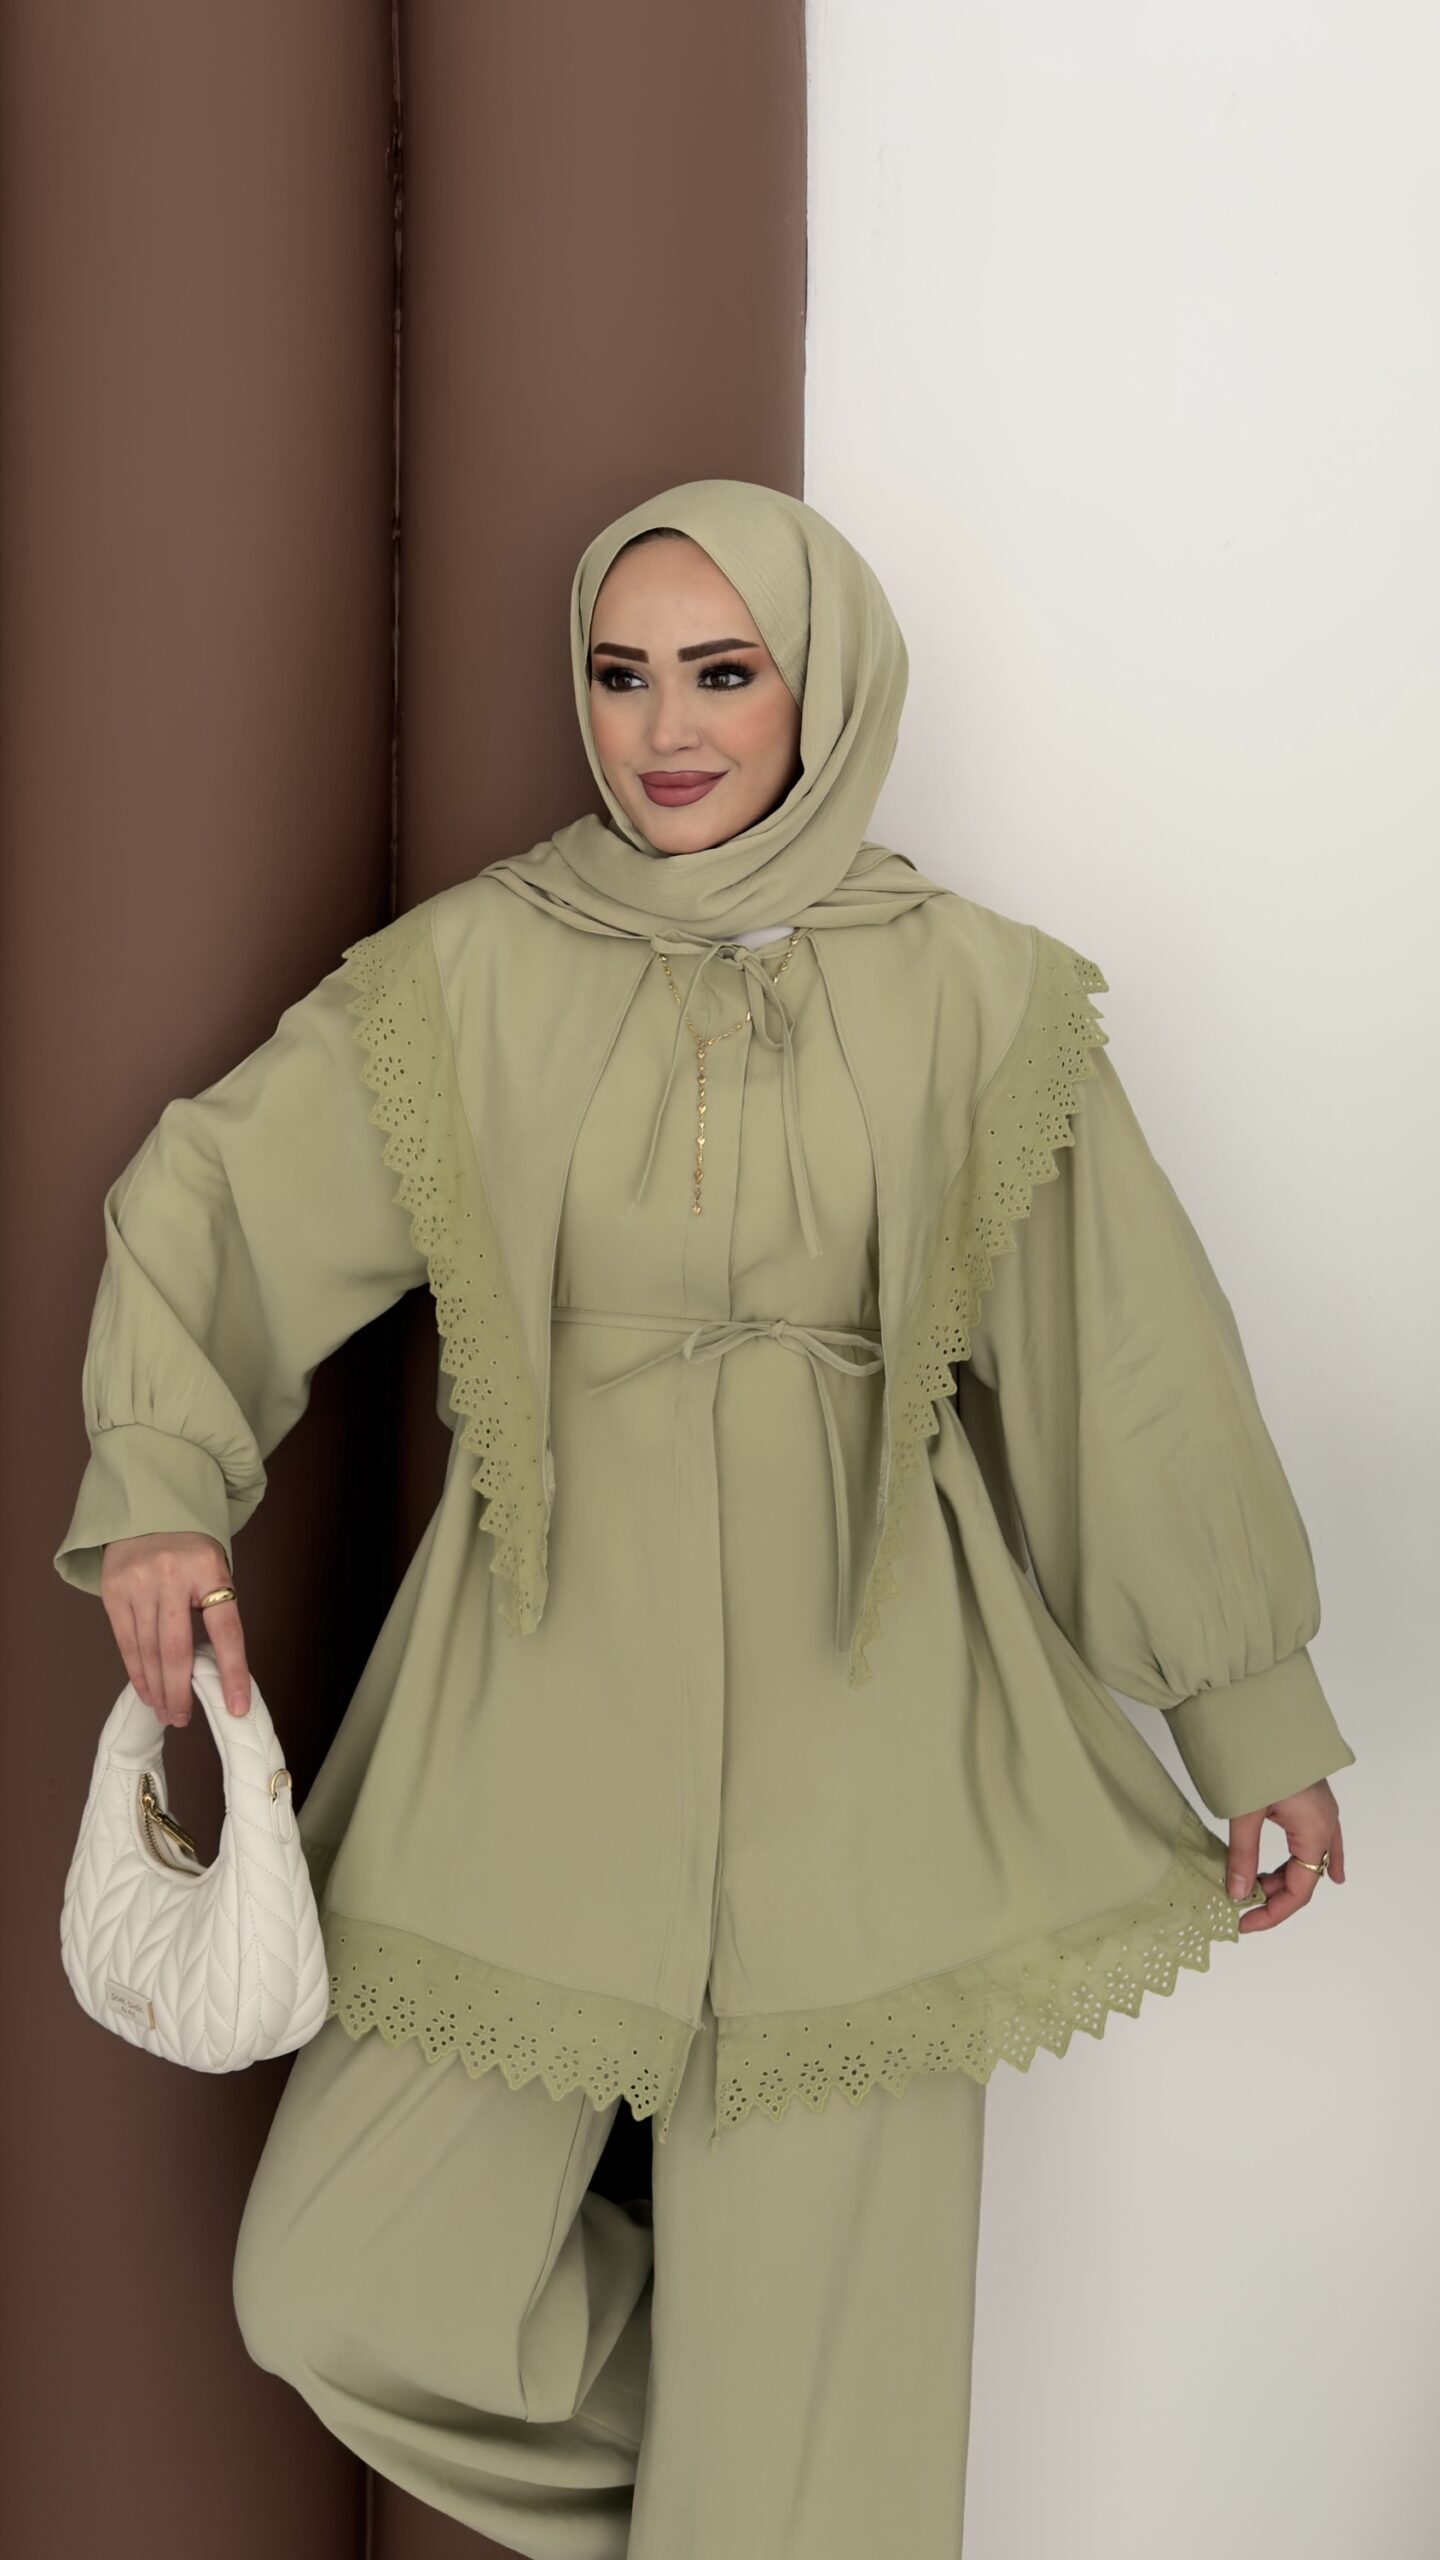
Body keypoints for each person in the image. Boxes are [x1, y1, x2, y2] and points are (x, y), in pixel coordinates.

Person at [54, 478, 1355, 2558]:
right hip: (532, 1723)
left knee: (821, 2373)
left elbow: (1122, 1362)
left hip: (877, 1744)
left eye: (724, 672)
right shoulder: (476, 973)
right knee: (340, 2281)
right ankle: (762, 2492)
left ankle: (792, 2497)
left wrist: (1247, 1707)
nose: (666, 727)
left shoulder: (980, 995)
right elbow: (217, 1193)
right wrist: (160, 1489)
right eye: (623, 673)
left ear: (820, 688)